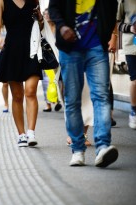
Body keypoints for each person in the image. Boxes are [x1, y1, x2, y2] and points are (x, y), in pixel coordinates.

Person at [49, 0, 119, 167]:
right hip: (70, 49)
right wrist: (62, 26)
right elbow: (54, 7)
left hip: (96, 47)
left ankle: (102, 146)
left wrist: (106, 34)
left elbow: (112, 5)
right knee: (72, 100)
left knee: (101, 96)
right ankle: (78, 149)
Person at [0, 0, 43, 147]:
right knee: (17, 96)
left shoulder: (33, 0)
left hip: (31, 50)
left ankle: (31, 133)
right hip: (12, 51)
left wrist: (40, 17)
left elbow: (40, 26)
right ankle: (21, 134)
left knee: (30, 91)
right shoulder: (1, 1)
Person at [117, 0, 136, 130]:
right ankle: (134, 111)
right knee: (135, 79)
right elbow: (118, 24)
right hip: (131, 45)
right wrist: (130, 28)